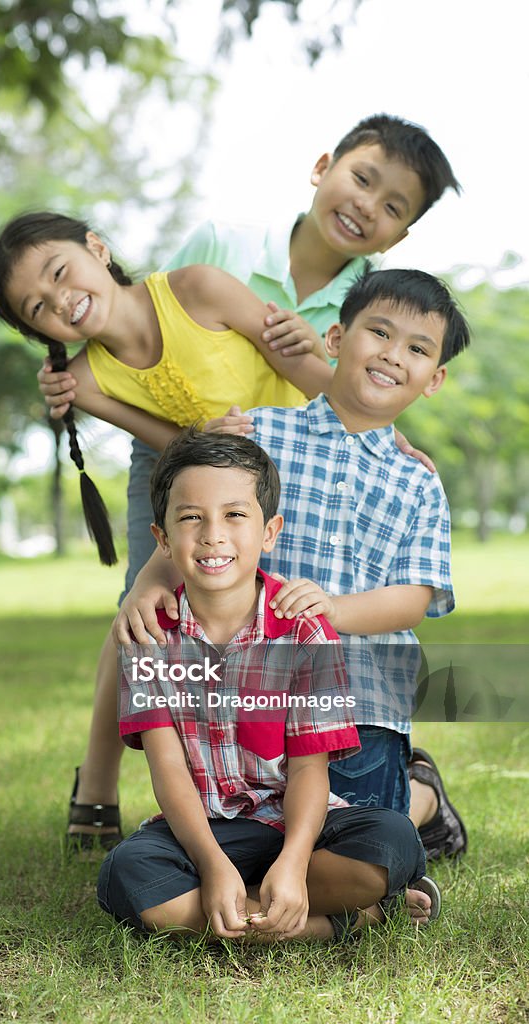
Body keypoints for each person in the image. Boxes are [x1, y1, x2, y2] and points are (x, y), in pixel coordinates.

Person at [29, 114, 463, 852]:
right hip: (178, 442)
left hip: (286, 458)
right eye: (362, 179)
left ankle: (361, 783)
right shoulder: (223, 247)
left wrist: (396, 440)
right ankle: (98, 791)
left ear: (399, 236)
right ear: (323, 165)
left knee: (278, 627)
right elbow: (134, 320)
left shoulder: (375, 300)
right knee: (148, 594)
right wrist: (69, 374)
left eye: (393, 206)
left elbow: (359, 389)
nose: (367, 206)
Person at [117, 269, 470, 873]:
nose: (391, 354)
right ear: (335, 338)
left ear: (433, 379)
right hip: (254, 684)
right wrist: (146, 589)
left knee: (356, 833)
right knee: (250, 826)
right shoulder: (259, 435)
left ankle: (421, 800)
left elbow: (414, 597)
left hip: (363, 695)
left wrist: (334, 609)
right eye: (378, 333)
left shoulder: (418, 480)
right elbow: (200, 525)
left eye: (416, 349)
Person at [97, 429, 437, 941]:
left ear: (269, 531)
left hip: (297, 821)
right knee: (126, 875)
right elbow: (168, 770)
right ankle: (338, 923)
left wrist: (296, 864)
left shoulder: (303, 629)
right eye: (191, 517)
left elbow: (307, 770)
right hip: (209, 829)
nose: (213, 535)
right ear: (163, 539)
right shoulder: (150, 640)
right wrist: (212, 866)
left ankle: (251, 906)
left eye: (235, 515)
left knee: (391, 842)